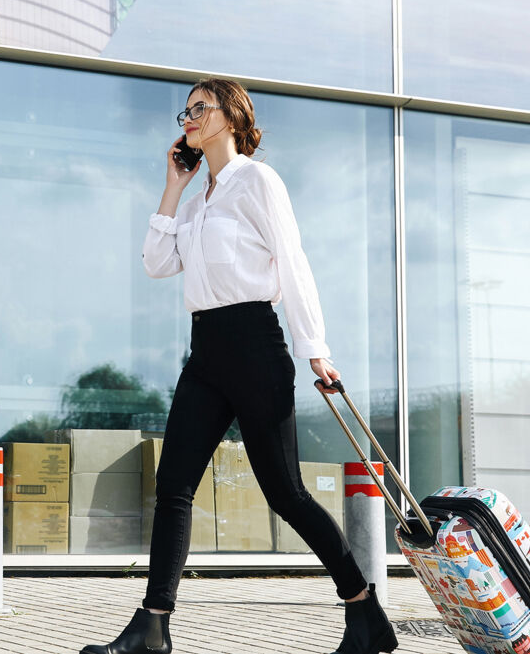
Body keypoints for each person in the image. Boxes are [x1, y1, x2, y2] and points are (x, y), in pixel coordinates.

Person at [79, 79, 396, 654]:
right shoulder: (199, 198)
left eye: (201, 108)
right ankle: (153, 625)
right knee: (173, 486)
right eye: (186, 111)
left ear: (231, 115)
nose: (189, 119)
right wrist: (174, 186)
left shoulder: (258, 181)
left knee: (286, 493)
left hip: (256, 347)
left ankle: (364, 611)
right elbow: (156, 263)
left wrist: (314, 347)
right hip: (205, 354)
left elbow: (293, 262)